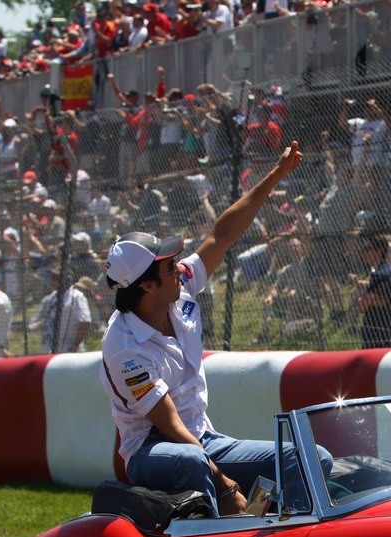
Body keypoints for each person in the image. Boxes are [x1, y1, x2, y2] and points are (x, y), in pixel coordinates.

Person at [100, 140, 326, 517]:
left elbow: (222, 236)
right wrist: (225, 484)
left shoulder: (176, 286)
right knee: (191, 460)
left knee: (309, 457)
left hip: (204, 440)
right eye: (168, 266)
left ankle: (262, 528)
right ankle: (224, 533)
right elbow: (169, 425)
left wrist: (275, 176)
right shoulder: (123, 347)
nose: (180, 268)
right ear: (146, 286)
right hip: (151, 452)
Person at [32, 276, 94, 353]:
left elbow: (85, 322)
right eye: (53, 279)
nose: (53, 282)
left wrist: (75, 345)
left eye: (56, 280)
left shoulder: (77, 297)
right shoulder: (52, 297)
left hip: (68, 349)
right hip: (49, 348)